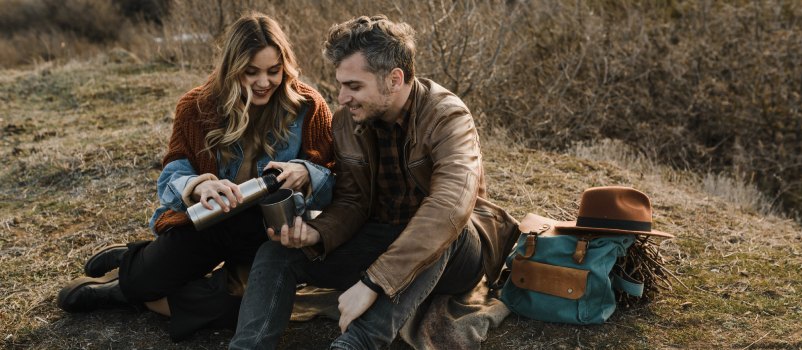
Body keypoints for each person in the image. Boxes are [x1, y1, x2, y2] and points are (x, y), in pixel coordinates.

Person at [230, 15, 518, 349]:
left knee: (444, 228)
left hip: (458, 254)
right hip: (381, 238)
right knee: (276, 252)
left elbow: (449, 208)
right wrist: (318, 233)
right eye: (341, 85)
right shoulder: (346, 122)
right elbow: (352, 201)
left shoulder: (448, 116)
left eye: (354, 86)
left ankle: (354, 344)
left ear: (394, 79)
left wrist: (373, 283)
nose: (341, 97)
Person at [56, 12, 335, 341]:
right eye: (251, 72)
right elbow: (174, 170)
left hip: (267, 235)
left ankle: (131, 290)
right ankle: (133, 277)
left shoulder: (308, 106)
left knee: (249, 309)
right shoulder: (196, 106)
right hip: (210, 221)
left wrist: (306, 172)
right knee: (146, 280)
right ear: (232, 68)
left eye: (274, 71)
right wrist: (199, 185)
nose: (264, 82)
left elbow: (335, 177)